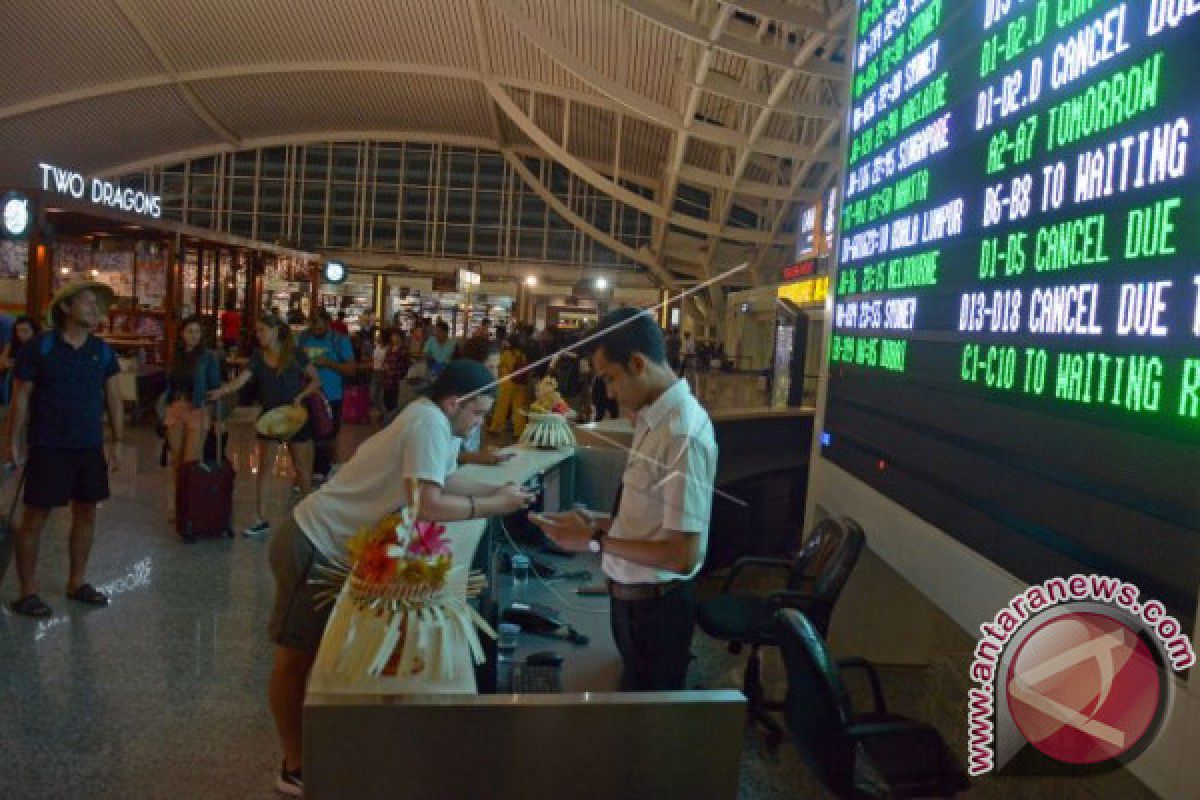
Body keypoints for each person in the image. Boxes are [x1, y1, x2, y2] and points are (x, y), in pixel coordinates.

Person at [265, 360, 535, 795]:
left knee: (317, 652)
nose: (480, 423)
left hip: (329, 545)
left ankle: (314, 744)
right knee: (294, 658)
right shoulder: (427, 423)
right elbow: (427, 503)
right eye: (479, 413)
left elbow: (447, 479)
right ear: (455, 402)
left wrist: (504, 491)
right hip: (313, 542)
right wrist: (491, 506)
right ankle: (293, 762)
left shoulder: (433, 420)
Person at [531, 307, 717, 691]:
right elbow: (647, 514)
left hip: (656, 612)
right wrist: (593, 521)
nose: (611, 392)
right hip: (633, 604)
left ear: (637, 363)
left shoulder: (682, 433)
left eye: (610, 379)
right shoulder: (655, 420)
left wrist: (594, 541)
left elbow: (682, 555)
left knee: (647, 729)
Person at [7, 282, 124, 617]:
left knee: (87, 511)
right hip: (48, 445)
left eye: (97, 304)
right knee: (35, 516)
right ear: (65, 308)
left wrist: (117, 440)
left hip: (88, 446)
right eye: (88, 301)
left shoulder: (101, 351)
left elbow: (113, 397)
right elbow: (22, 396)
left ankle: (77, 581)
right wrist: (12, 443)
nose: (94, 308)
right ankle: (27, 591)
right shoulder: (40, 347)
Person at [210, 313, 322, 538]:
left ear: (275, 331)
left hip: (294, 416)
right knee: (264, 468)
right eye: (257, 331)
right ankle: (261, 518)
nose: (259, 335)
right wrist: (221, 391)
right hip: (270, 418)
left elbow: (315, 380)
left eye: (262, 330)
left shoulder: (294, 354)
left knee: (302, 467)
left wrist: (301, 396)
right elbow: (241, 381)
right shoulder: (258, 358)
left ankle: (309, 515)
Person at [163, 316, 221, 523]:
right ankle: (177, 505)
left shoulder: (207, 357)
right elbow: (169, 383)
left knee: (191, 462)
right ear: (182, 334)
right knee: (176, 461)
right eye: (189, 331)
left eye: (197, 332)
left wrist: (217, 418)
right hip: (176, 407)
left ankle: (189, 505)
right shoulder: (176, 355)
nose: (193, 336)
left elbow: (215, 387)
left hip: (198, 409)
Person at [297, 310, 356, 481]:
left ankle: (326, 468)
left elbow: (351, 369)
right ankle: (311, 471)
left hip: (332, 395)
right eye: (313, 327)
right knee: (307, 436)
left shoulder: (339, 340)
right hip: (308, 395)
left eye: (320, 327)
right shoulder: (303, 339)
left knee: (328, 435)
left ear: (327, 325)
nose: (316, 331)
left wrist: (329, 363)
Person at [488, 335, 529, 439]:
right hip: (521, 385)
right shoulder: (522, 354)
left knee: (502, 406)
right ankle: (519, 431)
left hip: (507, 383)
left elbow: (499, 366)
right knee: (518, 408)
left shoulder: (506, 354)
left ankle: (495, 428)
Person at [381, 328, 411, 412]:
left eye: (395, 336)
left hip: (397, 381)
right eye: (392, 336)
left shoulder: (403, 350)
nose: (393, 338)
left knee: (394, 402)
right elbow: (385, 361)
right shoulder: (389, 349)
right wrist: (385, 366)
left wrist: (392, 369)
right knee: (386, 401)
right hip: (387, 380)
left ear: (400, 338)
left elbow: (406, 366)